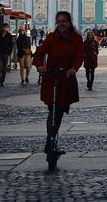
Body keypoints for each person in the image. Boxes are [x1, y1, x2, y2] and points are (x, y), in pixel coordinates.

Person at [34, 11, 84, 152]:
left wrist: (74, 68)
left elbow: (79, 56)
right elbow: (40, 52)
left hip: (66, 78)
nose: (62, 24)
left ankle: (52, 138)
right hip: (51, 77)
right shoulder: (51, 38)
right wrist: (40, 65)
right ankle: (50, 139)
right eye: (59, 21)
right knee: (52, 109)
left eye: (64, 21)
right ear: (56, 23)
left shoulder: (76, 38)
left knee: (60, 110)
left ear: (69, 22)